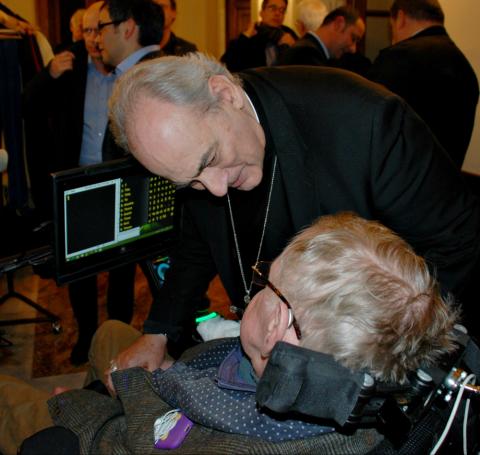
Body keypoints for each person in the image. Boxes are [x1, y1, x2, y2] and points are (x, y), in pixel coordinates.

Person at [106, 52, 480, 373]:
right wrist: (157, 332)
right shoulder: (194, 160)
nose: (215, 189)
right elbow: (195, 247)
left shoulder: (368, 123)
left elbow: (458, 245)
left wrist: (379, 348)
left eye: (212, 159)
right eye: (193, 184)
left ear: (226, 94)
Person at [0, 213, 459, 454]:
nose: (255, 287)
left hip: (127, 433)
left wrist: (82, 406)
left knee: (16, 403)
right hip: (181, 390)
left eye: (265, 280)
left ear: (280, 322)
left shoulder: (239, 441)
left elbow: (133, 440)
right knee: (110, 333)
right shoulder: (356, 394)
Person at [22, 0, 165, 365]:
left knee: (122, 265)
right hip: (79, 185)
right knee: (79, 268)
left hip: (120, 180)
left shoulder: (128, 70)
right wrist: (48, 74)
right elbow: (28, 104)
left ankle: (116, 330)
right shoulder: (68, 63)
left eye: (97, 29)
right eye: (87, 31)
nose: (93, 39)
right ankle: (86, 333)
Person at [368, 0, 479, 170]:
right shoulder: (466, 68)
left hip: (398, 185)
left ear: (401, 17)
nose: (393, 37)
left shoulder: (399, 57)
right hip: (446, 186)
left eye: (391, 28)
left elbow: (369, 125)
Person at [221, 0, 298, 72]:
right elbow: (227, 63)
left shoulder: (289, 34)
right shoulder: (251, 34)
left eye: (282, 10)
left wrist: (294, 47)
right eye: (272, 8)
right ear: (261, 12)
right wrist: (245, 36)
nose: (277, 13)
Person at [280, 5, 365, 65]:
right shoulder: (306, 55)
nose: (353, 49)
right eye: (353, 38)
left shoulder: (311, 52)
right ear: (339, 24)